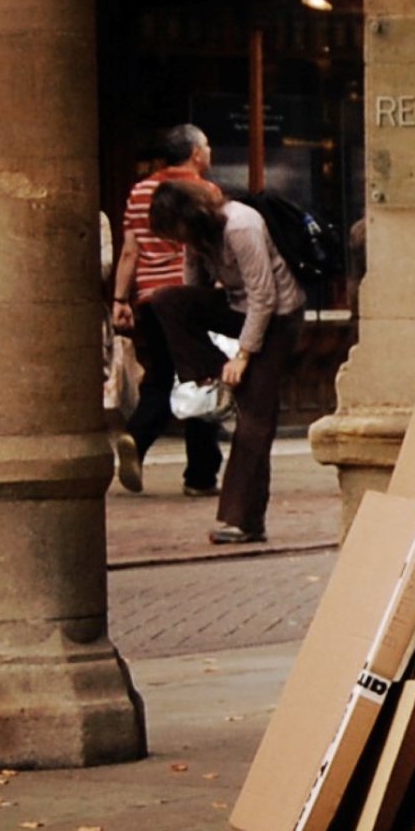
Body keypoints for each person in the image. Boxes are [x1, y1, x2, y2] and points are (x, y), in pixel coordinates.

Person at [143, 178, 305, 545]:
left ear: (192, 216)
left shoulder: (240, 225)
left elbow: (264, 295)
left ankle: (243, 520)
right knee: (166, 299)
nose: (178, 240)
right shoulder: (197, 239)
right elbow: (193, 289)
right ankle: (213, 383)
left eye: (177, 231)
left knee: (254, 421)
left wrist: (244, 356)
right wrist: (211, 355)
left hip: (277, 316)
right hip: (236, 307)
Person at [109, 124, 222, 496]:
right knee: (202, 376)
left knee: (161, 376)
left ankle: (135, 439)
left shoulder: (140, 191)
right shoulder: (205, 191)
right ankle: (200, 475)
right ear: (195, 153)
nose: (209, 151)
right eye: (206, 146)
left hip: (149, 300)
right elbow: (210, 249)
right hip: (189, 297)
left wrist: (121, 299)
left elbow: (130, 250)